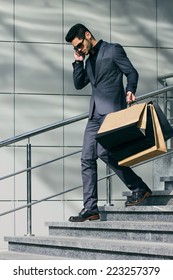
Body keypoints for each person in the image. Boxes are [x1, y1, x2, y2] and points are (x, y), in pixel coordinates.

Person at [65, 23, 152, 222]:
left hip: (112, 111)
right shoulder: (87, 61)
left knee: (105, 153)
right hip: (94, 115)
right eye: (75, 48)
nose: (78, 49)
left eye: (79, 45)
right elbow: (79, 85)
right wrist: (78, 62)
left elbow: (132, 72)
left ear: (87, 35)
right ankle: (91, 208)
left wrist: (130, 89)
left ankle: (139, 187)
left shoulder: (113, 50)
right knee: (86, 158)